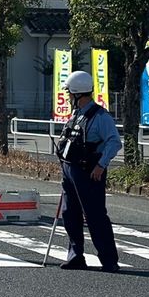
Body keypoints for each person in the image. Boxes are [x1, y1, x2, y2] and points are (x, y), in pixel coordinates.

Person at [55, 70, 122, 272]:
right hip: (70, 169)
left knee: (95, 216)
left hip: (89, 170)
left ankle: (109, 260)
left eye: (69, 93)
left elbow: (114, 141)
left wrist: (101, 165)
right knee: (70, 213)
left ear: (77, 94)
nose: (67, 97)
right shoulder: (76, 115)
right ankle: (75, 256)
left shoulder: (100, 116)